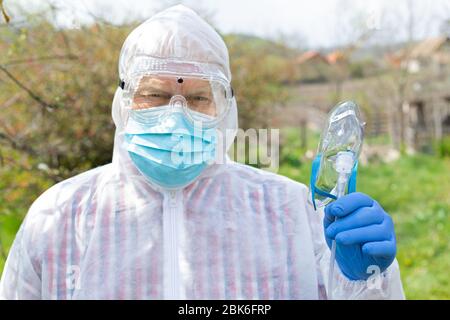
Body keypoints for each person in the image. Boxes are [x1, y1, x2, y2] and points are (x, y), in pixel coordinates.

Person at [0, 5, 404, 300]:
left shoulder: (290, 211)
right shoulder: (58, 218)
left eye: (198, 98)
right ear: (123, 102)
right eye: (154, 95)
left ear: (226, 110)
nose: (176, 115)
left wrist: (367, 280)